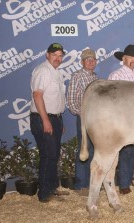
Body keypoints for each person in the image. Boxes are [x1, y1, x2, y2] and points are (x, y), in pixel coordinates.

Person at [30, 43, 69, 203]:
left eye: (60, 56)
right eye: (55, 55)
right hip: (43, 118)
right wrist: (46, 120)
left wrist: (58, 120)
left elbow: (56, 98)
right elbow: (37, 96)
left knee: (53, 155)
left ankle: (52, 187)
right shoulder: (42, 71)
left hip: (54, 118)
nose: (58, 58)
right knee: (48, 155)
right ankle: (44, 194)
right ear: (47, 55)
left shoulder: (56, 72)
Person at [108, 44, 134, 195]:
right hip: (122, 119)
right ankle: (123, 185)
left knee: (131, 150)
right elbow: (111, 99)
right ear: (123, 58)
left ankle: (128, 180)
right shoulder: (116, 75)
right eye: (130, 57)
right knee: (124, 151)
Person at [66, 48, 99, 196]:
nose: (91, 62)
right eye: (88, 60)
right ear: (82, 62)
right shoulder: (77, 77)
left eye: (93, 59)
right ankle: (81, 185)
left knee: (95, 151)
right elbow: (71, 102)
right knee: (84, 149)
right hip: (85, 119)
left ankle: (92, 183)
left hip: (97, 121)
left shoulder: (96, 78)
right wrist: (84, 114)